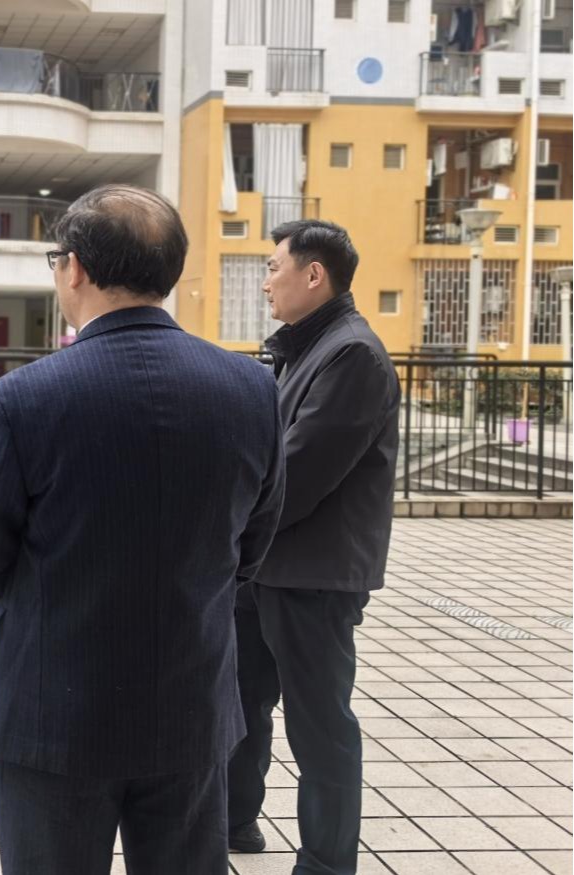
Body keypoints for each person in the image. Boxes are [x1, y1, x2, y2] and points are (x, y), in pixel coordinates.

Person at [0, 184, 286, 875]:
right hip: (189, 703)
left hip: (56, 709)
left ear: (73, 267)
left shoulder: (22, 398)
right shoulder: (250, 388)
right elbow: (252, 541)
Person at [227, 220, 400, 875]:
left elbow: (296, 476)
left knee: (318, 723)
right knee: (241, 702)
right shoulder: (304, 348)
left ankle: (326, 862)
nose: (265, 282)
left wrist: (221, 526)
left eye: (273, 267)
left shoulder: (352, 354)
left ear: (314, 274)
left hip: (313, 576)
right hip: (265, 565)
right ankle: (233, 820)